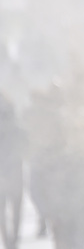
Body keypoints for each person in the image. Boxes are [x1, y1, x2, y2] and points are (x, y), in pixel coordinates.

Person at [0, 92, 24, 249]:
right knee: (15, 207)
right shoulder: (17, 129)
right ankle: (13, 239)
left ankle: (8, 238)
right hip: (14, 172)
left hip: (6, 172)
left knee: (3, 208)